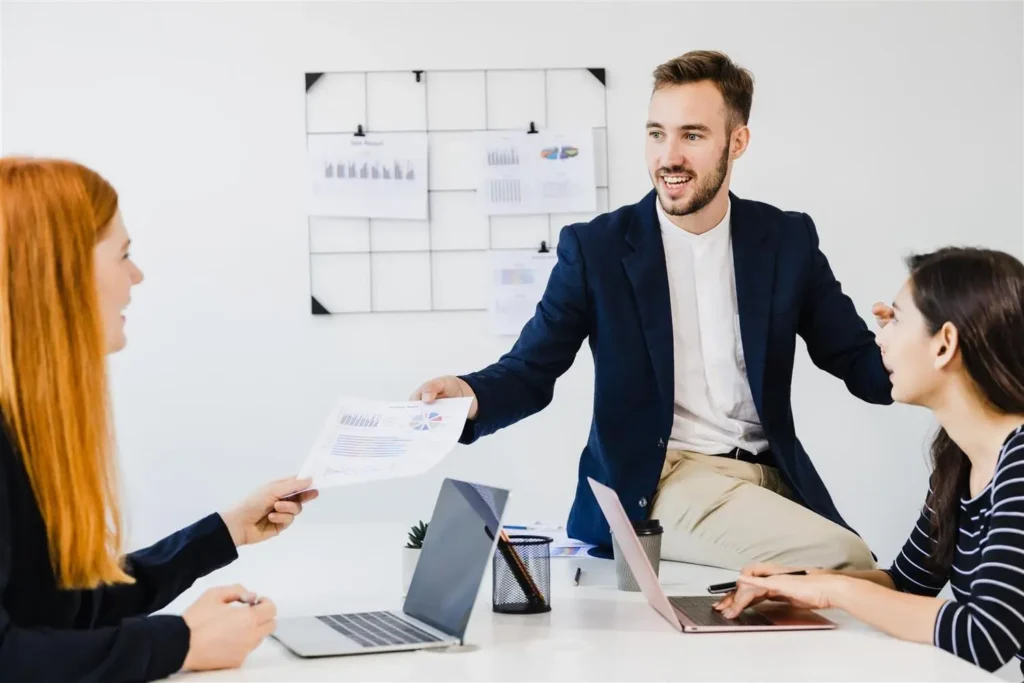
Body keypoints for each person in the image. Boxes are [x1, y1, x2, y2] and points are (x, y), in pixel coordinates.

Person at [412, 50, 893, 570]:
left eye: (692, 135)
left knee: (858, 568)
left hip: (771, 478)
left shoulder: (785, 239)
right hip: (660, 483)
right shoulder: (596, 249)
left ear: (737, 142)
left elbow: (856, 359)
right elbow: (531, 370)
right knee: (844, 559)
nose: (669, 157)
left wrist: (913, 349)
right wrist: (468, 394)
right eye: (656, 133)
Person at [0, 157, 318, 682]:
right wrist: (182, 644)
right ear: (56, 273)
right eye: (123, 255)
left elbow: (61, 611)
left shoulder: (23, 429)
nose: (137, 275)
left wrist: (225, 531)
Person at [715, 247, 1024, 675]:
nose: (880, 338)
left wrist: (835, 590)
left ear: (944, 344)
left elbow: (984, 636)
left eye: (896, 320)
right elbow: (908, 582)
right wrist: (800, 585)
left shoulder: (1020, 464)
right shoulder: (958, 461)